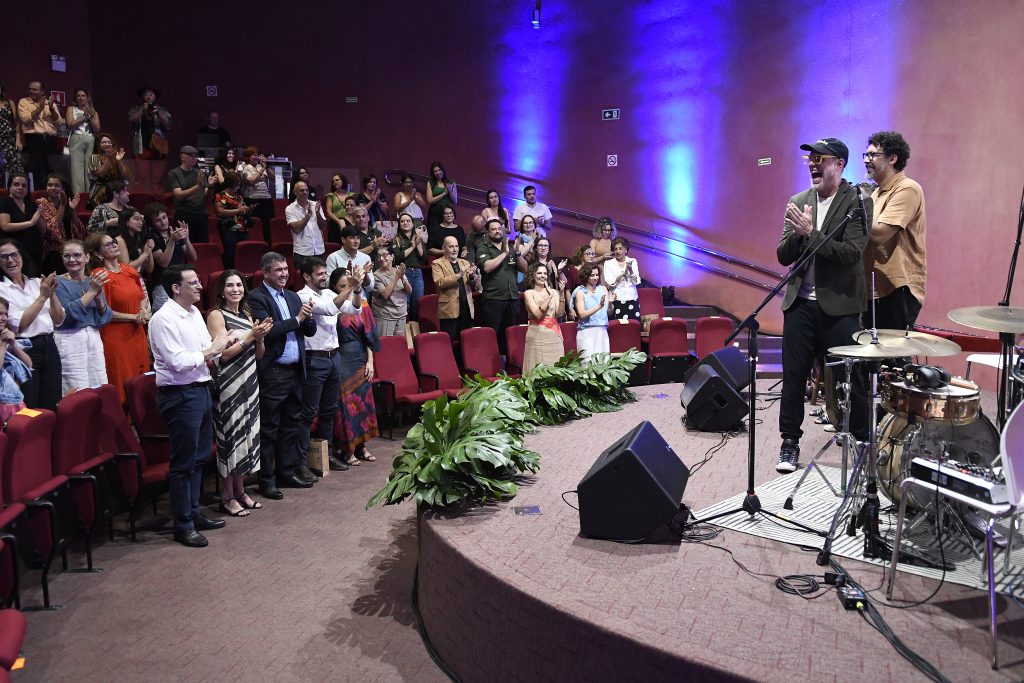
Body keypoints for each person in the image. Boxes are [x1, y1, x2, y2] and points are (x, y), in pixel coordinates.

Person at [776, 137, 868, 474]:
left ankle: (862, 440)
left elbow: (851, 254)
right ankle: (789, 442)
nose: (813, 164)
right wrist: (798, 235)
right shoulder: (798, 201)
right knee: (793, 377)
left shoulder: (857, 201)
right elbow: (783, 254)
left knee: (851, 378)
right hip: (800, 304)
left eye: (820, 159)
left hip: (840, 306)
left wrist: (810, 232)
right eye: (809, 159)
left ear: (839, 164)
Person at [148, 264, 234, 547]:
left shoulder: (195, 312)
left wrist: (221, 343)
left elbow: (207, 347)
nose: (200, 286)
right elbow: (177, 361)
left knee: (199, 459)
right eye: (193, 282)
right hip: (180, 395)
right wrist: (212, 349)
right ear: (176, 288)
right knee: (184, 463)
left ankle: (194, 513)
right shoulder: (163, 319)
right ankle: (183, 524)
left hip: (201, 389)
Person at [247, 252, 317, 500]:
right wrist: (297, 319)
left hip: (296, 371)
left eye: (286, 269)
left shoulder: (292, 296)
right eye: (279, 270)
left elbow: (309, 330)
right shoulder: (256, 297)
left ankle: (286, 473)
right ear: (266, 272)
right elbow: (268, 331)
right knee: (270, 429)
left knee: (291, 425)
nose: (285, 274)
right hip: (274, 372)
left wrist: (308, 317)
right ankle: (267, 480)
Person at [206, 270, 272, 517]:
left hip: (250, 380)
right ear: (222, 290)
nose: (235, 289)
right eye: (230, 285)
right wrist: (249, 337)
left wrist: (260, 339)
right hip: (229, 383)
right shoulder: (216, 315)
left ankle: (241, 490)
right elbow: (222, 354)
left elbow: (258, 354)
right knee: (231, 438)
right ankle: (227, 496)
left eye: (239, 285)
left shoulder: (246, 314)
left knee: (247, 436)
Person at [296, 258, 360, 473]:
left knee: (328, 410)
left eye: (325, 273)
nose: (324, 277)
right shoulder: (303, 296)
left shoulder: (328, 293)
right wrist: (350, 285)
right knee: (308, 412)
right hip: (314, 359)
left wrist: (357, 289)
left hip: (334, 356)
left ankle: (326, 455)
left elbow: (354, 309)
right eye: (320, 274)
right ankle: (301, 462)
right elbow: (330, 310)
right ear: (307, 276)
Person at [862, 131, 926, 331]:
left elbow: (880, 234)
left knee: (892, 350)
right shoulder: (876, 193)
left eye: (873, 155)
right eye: (865, 155)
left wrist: (854, 208)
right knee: (869, 350)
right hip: (873, 289)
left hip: (897, 289)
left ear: (892, 159)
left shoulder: (907, 188)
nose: (866, 160)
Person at [86, 231, 151, 402]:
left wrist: (142, 310)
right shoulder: (99, 275)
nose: (114, 245)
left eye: (114, 241)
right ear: (98, 253)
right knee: (123, 382)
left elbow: (142, 295)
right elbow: (104, 311)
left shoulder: (128, 270)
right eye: (108, 244)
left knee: (141, 379)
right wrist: (133, 317)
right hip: (116, 337)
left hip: (137, 332)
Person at [0, 239, 64, 410]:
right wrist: (42, 297)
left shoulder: (36, 283)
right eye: (4, 257)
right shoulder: (2, 289)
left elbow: (59, 319)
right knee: (31, 404)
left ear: (22, 256)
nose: (10, 260)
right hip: (24, 349)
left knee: (53, 400)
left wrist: (51, 294)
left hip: (49, 345)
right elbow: (19, 325)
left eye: (14, 255)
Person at [331, 268, 380, 466]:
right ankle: (347, 449)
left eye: (350, 284)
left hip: (360, 357)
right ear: (335, 287)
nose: (348, 288)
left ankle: (362, 446)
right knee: (346, 406)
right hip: (342, 357)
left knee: (363, 403)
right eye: (343, 286)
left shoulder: (363, 305)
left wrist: (371, 362)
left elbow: (370, 336)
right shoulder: (333, 305)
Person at [54, 239, 111, 393]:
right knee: (77, 391)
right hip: (70, 339)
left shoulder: (92, 281)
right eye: (67, 256)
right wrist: (92, 292)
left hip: (93, 337)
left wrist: (99, 300)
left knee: (99, 385)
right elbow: (67, 314)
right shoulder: (57, 282)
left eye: (77, 255)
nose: (72, 260)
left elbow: (105, 317)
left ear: (87, 257)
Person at [476, 218, 526, 355]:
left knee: (510, 337)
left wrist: (517, 253)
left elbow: (524, 268)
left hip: (512, 299)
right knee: (492, 337)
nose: (497, 231)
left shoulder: (510, 247)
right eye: (493, 229)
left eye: (499, 229)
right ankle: (492, 364)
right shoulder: (483, 248)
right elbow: (487, 267)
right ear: (487, 232)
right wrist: (504, 253)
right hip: (494, 300)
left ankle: (508, 364)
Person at [145, 202, 196, 312]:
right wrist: (172, 241)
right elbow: (163, 263)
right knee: (165, 316)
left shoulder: (173, 232)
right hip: (161, 284)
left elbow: (193, 257)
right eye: (158, 220)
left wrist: (186, 239)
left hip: (180, 281)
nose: (163, 222)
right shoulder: (151, 237)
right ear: (152, 223)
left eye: (164, 217)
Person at [37, 174, 86, 275]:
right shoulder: (42, 203)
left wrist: (72, 209)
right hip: (53, 251)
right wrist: (62, 206)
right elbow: (52, 230)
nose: (52, 188)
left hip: (71, 246)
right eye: (50, 185)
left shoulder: (67, 202)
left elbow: (79, 230)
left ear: (63, 189)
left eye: (56, 185)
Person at [16, 81, 61, 189]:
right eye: (30, 89)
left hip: (50, 140)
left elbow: (58, 122)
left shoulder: (49, 103)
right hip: (34, 140)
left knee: (50, 172)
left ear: (42, 91)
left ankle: (51, 194)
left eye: (34, 89)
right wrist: (40, 108)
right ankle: (38, 195)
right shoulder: (24, 102)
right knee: (37, 172)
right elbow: (25, 119)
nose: (31, 91)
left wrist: (51, 108)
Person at [522, 261, 565, 372]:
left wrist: (561, 293)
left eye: (545, 273)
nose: (543, 276)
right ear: (533, 275)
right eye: (539, 273)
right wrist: (549, 297)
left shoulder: (554, 292)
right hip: (537, 335)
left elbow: (559, 314)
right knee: (537, 369)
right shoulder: (529, 293)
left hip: (554, 336)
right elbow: (538, 315)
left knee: (556, 369)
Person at [432, 236, 477, 342]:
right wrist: (459, 275)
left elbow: (474, 285)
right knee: (449, 342)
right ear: (444, 248)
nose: (455, 249)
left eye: (456, 246)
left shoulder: (465, 263)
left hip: (466, 308)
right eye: (451, 246)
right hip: (449, 309)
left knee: (465, 342)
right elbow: (440, 282)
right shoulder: (437, 263)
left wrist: (472, 277)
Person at [167, 145, 213, 243]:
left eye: (195, 156)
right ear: (182, 157)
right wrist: (197, 186)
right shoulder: (174, 173)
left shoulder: (199, 172)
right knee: (185, 244)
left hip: (200, 213)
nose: (194, 158)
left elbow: (206, 194)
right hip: (184, 213)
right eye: (191, 156)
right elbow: (178, 195)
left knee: (202, 244)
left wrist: (211, 186)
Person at [0, 174, 45, 268]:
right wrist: (31, 223)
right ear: (9, 187)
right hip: (13, 251)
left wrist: (40, 215)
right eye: (16, 184)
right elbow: (5, 226)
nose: (20, 188)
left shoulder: (32, 204)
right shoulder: (4, 202)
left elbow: (43, 230)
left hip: (34, 250)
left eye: (24, 185)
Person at [0, 296, 33, 421]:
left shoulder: (7, 338)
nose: (4, 318)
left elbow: (29, 364)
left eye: (6, 314)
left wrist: (14, 345)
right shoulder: (3, 341)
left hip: (16, 401)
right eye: (0, 314)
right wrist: (3, 345)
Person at [392, 213, 428, 321]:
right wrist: (413, 246)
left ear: (413, 224)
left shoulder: (418, 238)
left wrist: (417, 243)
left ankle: (415, 328)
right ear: (399, 224)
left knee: (418, 304)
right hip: (403, 274)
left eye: (408, 221)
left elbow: (424, 257)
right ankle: (405, 328)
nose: (405, 223)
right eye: (402, 221)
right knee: (404, 304)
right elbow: (398, 257)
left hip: (417, 273)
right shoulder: (396, 239)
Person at [573, 263, 613, 361]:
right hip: (587, 332)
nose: (595, 278)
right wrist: (599, 306)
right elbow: (582, 314)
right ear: (586, 276)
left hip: (602, 331)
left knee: (603, 363)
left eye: (597, 275)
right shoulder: (580, 292)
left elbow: (609, 312)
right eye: (592, 275)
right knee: (588, 363)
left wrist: (610, 303)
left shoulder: (603, 289)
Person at [64, 89, 101, 196]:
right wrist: (84, 117)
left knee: (91, 170)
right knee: (76, 171)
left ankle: (91, 196)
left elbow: (97, 129)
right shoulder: (71, 109)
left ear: (87, 98)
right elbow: (70, 124)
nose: (81, 98)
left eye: (83, 95)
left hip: (90, 139)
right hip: (76, 138)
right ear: (75, 98)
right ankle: (79, 197)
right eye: (78, 96)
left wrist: (89, 116)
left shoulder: (93, 112)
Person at [285, 181, 326, 271]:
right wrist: (308, 215)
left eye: (307, 190)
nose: (305, 192)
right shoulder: (290, 209)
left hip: (318, 249)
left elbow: (323, 227)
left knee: (319, 277)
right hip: (302, 252)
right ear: (295, 192)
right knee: (302, 277)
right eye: (301, 190)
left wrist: (318, 214)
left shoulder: (315, 205)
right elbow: (297, 229)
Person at [326, 225, 375, 301]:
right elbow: (328, 284)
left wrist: (364, 274)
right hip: (340, 300)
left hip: (360, 299)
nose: (356, 241)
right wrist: (347, 274)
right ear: (343, 240)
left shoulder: (365, 258)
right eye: (352, 238)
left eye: (358, 238)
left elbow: (370, 288)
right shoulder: (333, 257)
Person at [373, 247, 412, 336]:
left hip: (401, 315)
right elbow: (385, 294)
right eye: (379, 256)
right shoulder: (376, 275)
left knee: (399, 344)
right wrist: (397, 277)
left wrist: (402, 277)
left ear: (392, 256)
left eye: (384, 255)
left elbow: (409, 291)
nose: (381, 258)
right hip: (385, 317)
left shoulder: (397, 270)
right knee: (386, 344)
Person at [239, 146, 275, 243]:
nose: (256, 157)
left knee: (267, 224)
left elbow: (273, 177)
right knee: (254, 224)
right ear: (248, 157)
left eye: (257, 155)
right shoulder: (246, 168)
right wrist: (262, 170)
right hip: (252, 199)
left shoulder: (260, 166)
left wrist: (266, 166)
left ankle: (268, 244)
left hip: (266, 199)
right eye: (253, 155)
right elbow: (251, 181)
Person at [214, 171, 250, 270]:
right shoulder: (220, 195)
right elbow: (220, 211)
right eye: (237, 184)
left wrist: (246, 209)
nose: (238, 187)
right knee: (230, 254)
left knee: (243, 254)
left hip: (242, 228)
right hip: (228, 228)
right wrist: (238, 210)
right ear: (231, 184)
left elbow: (242, 209)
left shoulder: (238, 196)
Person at [87, 134, 131, 207]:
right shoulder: (94, 157)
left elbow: (125, 175)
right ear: (98, 144)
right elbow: (101, 174)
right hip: (101, 191)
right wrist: (108, 158)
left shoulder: (116, 157)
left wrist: (119, 161)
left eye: (109, 142)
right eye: (104, 142)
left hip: (117, 189)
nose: (107, 144)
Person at [603, 237, 641, 321]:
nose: (618, 251)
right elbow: (610, 283)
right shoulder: (608, 263)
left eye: (620, 248)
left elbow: (636, 282)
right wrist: (622, 274)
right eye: (615, 249)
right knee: (618, 326)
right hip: (617, 298)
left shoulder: (632, 261)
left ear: (625, 249)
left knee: (633, 325)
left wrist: (631, 271)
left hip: (632, 298)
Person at [128, 87, 171, 159]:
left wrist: (158, 113)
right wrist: (141, 111)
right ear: (143, 97)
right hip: (141, 146)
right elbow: (130, 120)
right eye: (146, 95)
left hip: (158, 146)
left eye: (151, 95)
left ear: (155, 97)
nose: (148, 97)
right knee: (141, 166)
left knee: (159, 166)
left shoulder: (161, 109)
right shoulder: (137, 108)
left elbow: (167, 124)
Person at [115, 209, 155, 277]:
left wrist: (149, 250)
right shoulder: (119, 240)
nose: (141, 223)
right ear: (126, 222)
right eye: (136, 219)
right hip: (125, 279)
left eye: (141, 220)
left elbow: (149, 270)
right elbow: (127, 269)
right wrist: (145, 253)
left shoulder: (138, 239)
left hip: (138, 279)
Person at [562, 244, 597, 321]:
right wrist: (571, 309)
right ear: (581, 255)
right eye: (588, 254)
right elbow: (568, 291)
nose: (591, 256)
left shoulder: (594, 270)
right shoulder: (573, 270)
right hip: (577, 305)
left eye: (592, 254)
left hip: (592, 305)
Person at [0, 83, 24, 177]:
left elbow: (16, 122)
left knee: (13, 166)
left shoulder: (10, 102)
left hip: (9, 139)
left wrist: (18, 139)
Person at [425, 162, 456, 235]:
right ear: (433, 173)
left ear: (442, 170)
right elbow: (430, 200)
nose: (438, 172)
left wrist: (450, 191)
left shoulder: (451, 181)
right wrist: (444, 193)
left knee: (447, 233)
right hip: (435, 212)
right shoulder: (430, 182)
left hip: (447, 212)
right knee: (434, 234)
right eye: (435, 171)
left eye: (439, 170)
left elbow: (455, 200)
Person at [324, 173, 355, 243]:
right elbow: (328, 212)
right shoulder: (331, 195)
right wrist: (339, 221)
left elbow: (356, 209)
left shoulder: (351, 195)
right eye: (333, 181)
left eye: (337, 180)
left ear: (343, 180)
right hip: (335, 224)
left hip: (349, 223)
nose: (335, 182)